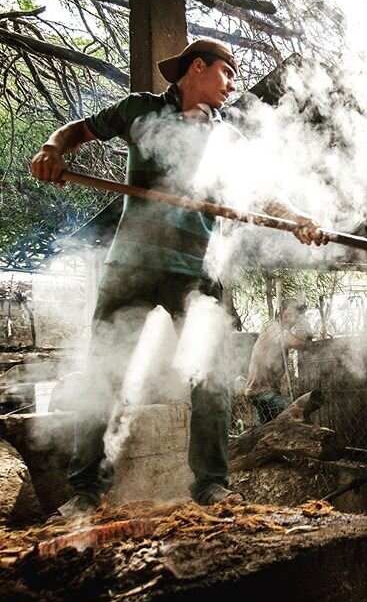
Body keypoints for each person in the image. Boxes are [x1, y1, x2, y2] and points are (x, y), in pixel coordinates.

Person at [31, 38, 326, 518]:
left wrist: (299, 218)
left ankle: (210, 484)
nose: (233, 85)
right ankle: (85, 490)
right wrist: (51, 149)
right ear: (198, 67)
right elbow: (75, 131)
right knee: (106, 374)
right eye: (228, 73)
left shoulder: (229, 137)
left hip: (197, 272)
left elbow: (263, 193)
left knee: (211, 378)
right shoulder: (140, 111)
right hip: (131, 266)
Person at [244, 298, 312, 424]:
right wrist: (306, 335)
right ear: (281, 314)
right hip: (262, 390)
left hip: (263, 390)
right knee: (294, 413)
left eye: (297, 316)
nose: (294, 319)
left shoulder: (280, 332)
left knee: (266, 427)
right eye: (291, 314)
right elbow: (294, 342)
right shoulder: (272, 326)